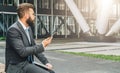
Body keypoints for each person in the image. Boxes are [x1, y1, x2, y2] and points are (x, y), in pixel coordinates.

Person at [5, 3, 55, 73]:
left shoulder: (28, 29)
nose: (34, 17)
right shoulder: (13, 30)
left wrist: (46, 62)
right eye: (33, 14)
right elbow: (22, 52)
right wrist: (42, 45)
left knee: (51, 72)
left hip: (28, 64)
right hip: (18, 67)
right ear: (26, 15)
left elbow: (34, 47)